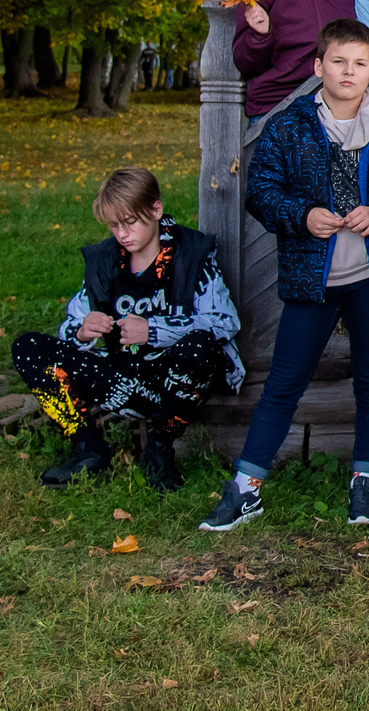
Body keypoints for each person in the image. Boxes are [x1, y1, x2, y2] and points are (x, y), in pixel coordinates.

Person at [202, 19, 369, 533]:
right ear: (318, 67)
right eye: (338, 62)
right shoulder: (290, 124)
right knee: (285, 381)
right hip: (312, 278)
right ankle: (246, 486)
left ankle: (364, 481)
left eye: (359, 64)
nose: (348, 72)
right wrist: (302, 215)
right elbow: (260, 192)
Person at [13, 167, 243, 492]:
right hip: (119, 377)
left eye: (130, 221)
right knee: (28, 346)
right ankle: (89, 448)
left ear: (155, 210)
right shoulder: (106, 262)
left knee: (201, 347)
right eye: (114, 225)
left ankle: (159, 450)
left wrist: (152, 330)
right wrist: (81, 330)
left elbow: (224, 322)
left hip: (170, 384)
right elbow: (71, 323)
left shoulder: (191, 256)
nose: (122, 233)